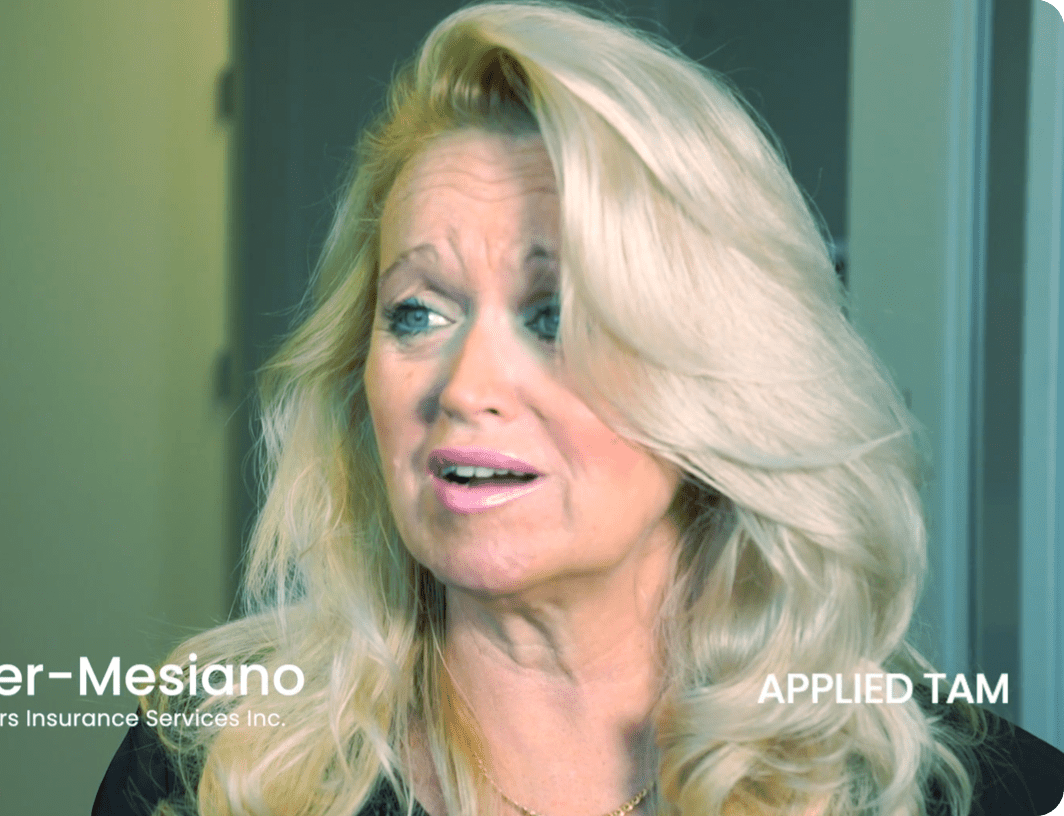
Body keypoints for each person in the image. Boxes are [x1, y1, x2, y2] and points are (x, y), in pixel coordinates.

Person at [94, 2, 1064, 814]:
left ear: (720, 377)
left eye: (555, 316)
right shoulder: (211, 765)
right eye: (416, 313)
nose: (464, 388)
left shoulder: (965, 790)